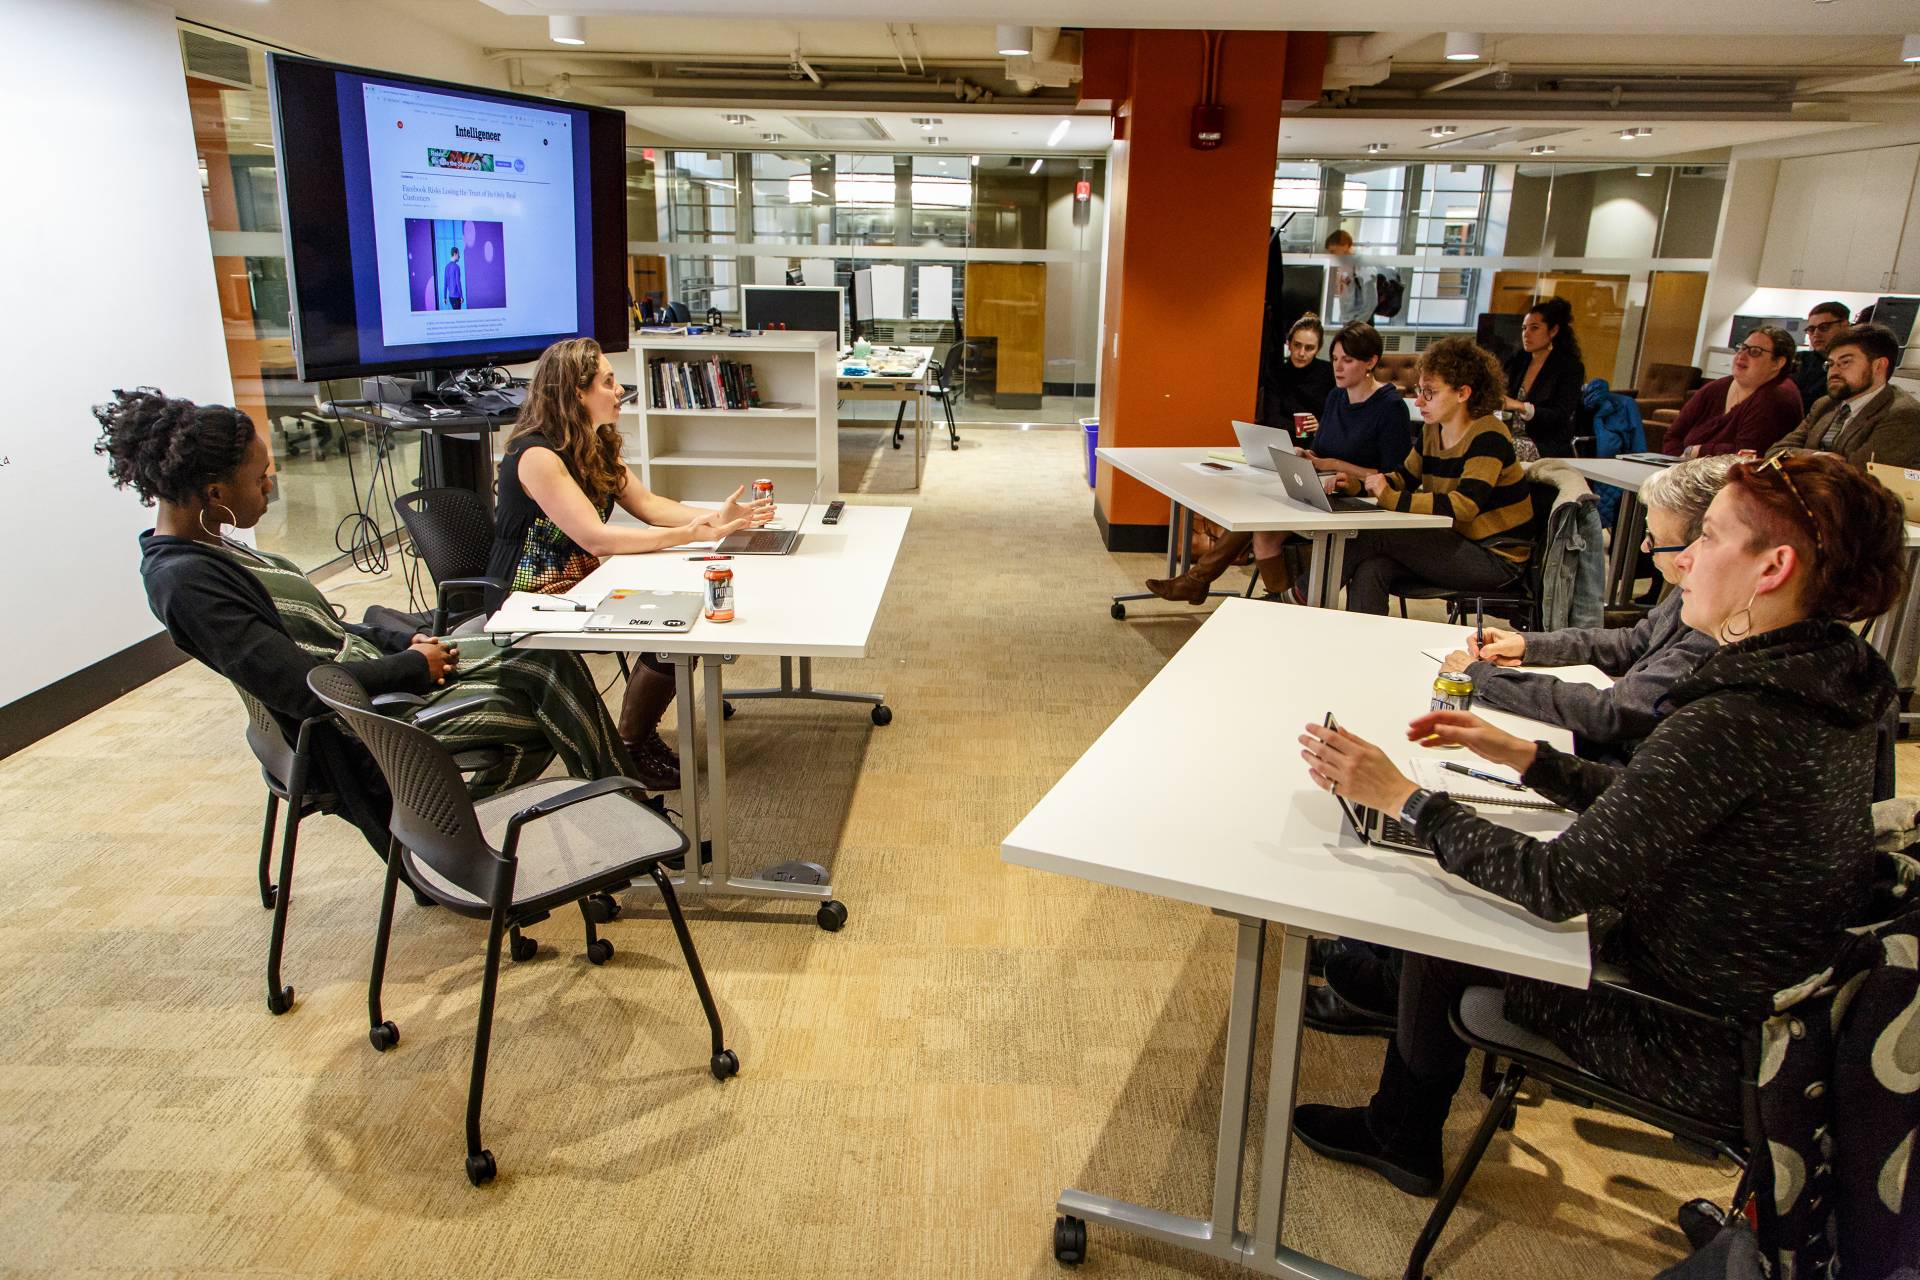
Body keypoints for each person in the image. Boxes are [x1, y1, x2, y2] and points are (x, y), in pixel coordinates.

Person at [1292, 452, 1903, 1197]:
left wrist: (1404, 798)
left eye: (1709, 537)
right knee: (1466, 882)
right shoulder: (1831, 676)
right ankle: (1387, 1017)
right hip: (1767, 1007)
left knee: (1454, 914)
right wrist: (1530, 757)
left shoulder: (1735, 716)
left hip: (1693, 1035)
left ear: (1772, 568)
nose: (1684, 560)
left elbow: (1553, 884)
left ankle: (1400, 1134)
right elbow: (1665, 804)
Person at [95, 388, 634, 868]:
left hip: (378, 677)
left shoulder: (212, 547)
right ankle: (607, 827)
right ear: (215, 494)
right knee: (546, 701)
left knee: (539, 658)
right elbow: (301, 687)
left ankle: (466, 834)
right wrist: (412, 666)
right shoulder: (185, 583)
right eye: (259, 478)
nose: (270, 485)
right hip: (367, 722)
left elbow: (326, 629)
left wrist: (403, 641)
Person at [488, 336, 774, 791]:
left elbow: (649, 506)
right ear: (576, 392)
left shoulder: (594, 442)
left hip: (583, 580)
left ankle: (634, 740)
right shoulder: (537, 455)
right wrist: (690, 533)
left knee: (684, 615)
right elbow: (595, 538)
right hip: (531, 593)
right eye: (608, 382)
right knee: (676, 623)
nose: (619, 390)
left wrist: (714, 520)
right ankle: (630, 749)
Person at [1443, 454, 1733, 760]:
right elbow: (1633, 643)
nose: (1644, 547)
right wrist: (1528, 645)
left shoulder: (1718, 633)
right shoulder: (1697, 590)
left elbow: (1612, 712)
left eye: (1654, 539)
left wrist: (1483, 678)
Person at [1144, 322, 1413, 604]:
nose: (1338, 367)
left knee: (1260, 518)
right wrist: (1305, 455)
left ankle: (1200, 581)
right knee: (1262, 527)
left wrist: (1333, 463)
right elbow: (1321, 451)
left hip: (1362, 501)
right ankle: (1278, 604)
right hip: (1324, 487)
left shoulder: (1390, 407)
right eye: (1335, 359)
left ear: (1370, 362)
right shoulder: (1336, 397)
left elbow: (1393, 476)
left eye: (1347, 360)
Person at [1336, 337, 1535, 615]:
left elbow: (1464, 506)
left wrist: (1391, 498)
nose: (1418, 401)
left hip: (1497, 558)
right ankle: (1362, 639)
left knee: (1374, 533)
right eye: (1420, 390)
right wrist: (1359, 486)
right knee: (1372, 568)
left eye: (1429, 392)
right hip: (1455, 542)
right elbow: (1404, 478)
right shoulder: (1433, 429)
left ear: (1462, 393)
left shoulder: (1489, 435)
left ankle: (1299, 598)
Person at [1767, 323, 1920, 470]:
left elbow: (1858, 475)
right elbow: (1775, 453)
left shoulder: (1903, 414)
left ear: (1878, 366)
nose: (1833, 372)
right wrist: (1817, 457)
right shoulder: (1824, 404)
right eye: (1830, 364)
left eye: (1845, 362)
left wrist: (1801, 459)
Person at [1662, 325, 1803, 457]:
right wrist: (1673, 464)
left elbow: (1747, 454)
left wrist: (1696, 451)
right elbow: (1673, 435)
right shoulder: (1716, 388)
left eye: (1755, 352)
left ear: (1778, 363)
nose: (1741, 355)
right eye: (1742, 348)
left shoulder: (1777, 397)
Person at [1500, 297, 1586, 458]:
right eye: (1524, 328)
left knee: (1496, 447)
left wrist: (1520, 406)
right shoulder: (1519, 360)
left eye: (1534, 328)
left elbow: (1560, 416)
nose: (1526, 334)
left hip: (1544, 443)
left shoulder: (1570, 367)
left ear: (1553, 331)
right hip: (1510, 435)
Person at [1268, 314, 1335, 425]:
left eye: (1309, 348)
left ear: (1318, 349)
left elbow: (1338, 417)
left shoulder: (1330, 374)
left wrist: (1321, 428)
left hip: (1320, 435)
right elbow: (1272, 418)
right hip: (1282, 434)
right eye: (1297, 345)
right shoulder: (1276, 374)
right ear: (1289, 344)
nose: (1301, 353)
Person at [1790, 300, 1851, 409]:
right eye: (1811, 329)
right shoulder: (1798, 360)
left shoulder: (1854, 366)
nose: (1816, 334)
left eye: (1824, 327)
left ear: (1845, 326)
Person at [1325, 229, 1377, 325]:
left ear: (1345, 246)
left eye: (1333, 251)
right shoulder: (1345, 264)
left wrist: (1357, 323)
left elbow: (1371, 300)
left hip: (1360, 322)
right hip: (1349, 320)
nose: (1332, 255)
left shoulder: (1363, 265)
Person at [443, 246, 463, 310]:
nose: (459, 256)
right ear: (455, 254)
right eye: (458, 254)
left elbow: (445, 283)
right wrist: (461, 296)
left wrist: (444, 297)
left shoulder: (446, 267)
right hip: (456, 297)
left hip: (450, 297)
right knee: (458, 315)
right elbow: (458, 283)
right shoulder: (456, 267)